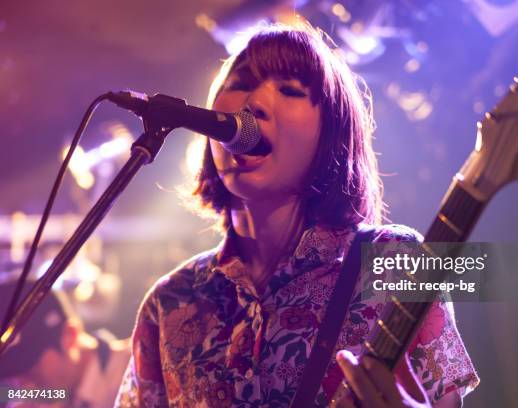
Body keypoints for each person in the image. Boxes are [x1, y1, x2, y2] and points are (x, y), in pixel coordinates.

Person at [116, 22, 479, 407]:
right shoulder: (170, 301)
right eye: (239, 83)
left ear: (332, 134)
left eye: (290, 90)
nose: (253, 103)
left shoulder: (393, 262)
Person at [0, 279, 131, 408]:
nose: (22, 385)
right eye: (11, 373)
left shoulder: (138, 368)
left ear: (70, 335)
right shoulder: (51, 393)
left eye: (30, 367)